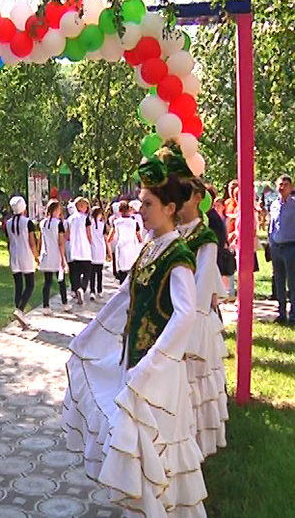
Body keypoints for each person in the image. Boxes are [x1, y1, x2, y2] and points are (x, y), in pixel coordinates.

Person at [61, 154, 207, 516]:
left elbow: (186, 314)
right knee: (135, 442)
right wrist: (89, 335)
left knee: (155, 443)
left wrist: (154, 361)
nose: (140, 209)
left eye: (148, 204)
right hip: (135, 361)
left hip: (158, 372)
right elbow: (123, 295)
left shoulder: (178, 254)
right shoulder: (150, 249)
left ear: (170, 208)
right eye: (141, 203)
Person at [171, 152, 228, 458]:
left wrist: (187, 326)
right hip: (171, 316)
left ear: (196, 197)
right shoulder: (172, 234)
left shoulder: (205, 237)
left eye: (182, 194)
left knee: (196, 383)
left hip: (194, 319)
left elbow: (204, 284)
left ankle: (196, 448)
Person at [5, 195, 38, 327]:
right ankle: (20, 309)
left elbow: (9, 241)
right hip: (26, 255)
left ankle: (19, 313)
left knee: (18, 285)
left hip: (14, 255)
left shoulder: (8, 223)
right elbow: (32, 242)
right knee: (30, 284)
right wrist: (36, 256)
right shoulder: (27, 222)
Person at [269, 174, 295, 324]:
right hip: (276, 247)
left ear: (291, 187)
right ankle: (281, 313)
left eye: (285, 184)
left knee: (292, 282)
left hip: (291, 247)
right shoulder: (274, 205)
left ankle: (293, 315)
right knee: (278, 281)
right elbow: (272, 224)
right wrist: (270, 241)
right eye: (280, 184)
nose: (282, 187)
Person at [38, 200, 70, 315]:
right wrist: (63, 258)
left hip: (46, 255)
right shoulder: (58, 223)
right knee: (61, 280)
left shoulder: (43, 223)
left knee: (47, 282)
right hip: (56, 254)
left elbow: (41, 240)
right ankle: (65, 303)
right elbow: (61, 242)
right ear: (56, 210)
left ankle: (45, 305)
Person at [107, 201, 142, 284]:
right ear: (129, 210)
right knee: (132, 272)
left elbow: (109, 238)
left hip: (121, 249)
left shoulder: (116, 223)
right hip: (132, 249)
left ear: (119, 211)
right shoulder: (134, 223)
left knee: (122, 274)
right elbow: (139, 238)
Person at [66, 197, 93, 304]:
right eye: (86, 206)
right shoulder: (86, 219)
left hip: (74, 249)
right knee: (87, 272)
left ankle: (76, 288)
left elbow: (67, 236)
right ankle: (82, 288)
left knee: (75, 273)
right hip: (84, 249)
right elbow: (89, 234)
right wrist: (91, 242)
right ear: (81, 207)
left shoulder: (70, 219)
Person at [89, 206, 109, 300]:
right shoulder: (103, 225)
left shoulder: (89, 224)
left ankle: (92, 291)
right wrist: (109, 251)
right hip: (101, 249)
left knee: (92, 272)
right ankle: (99, 290)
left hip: (92, 249)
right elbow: (105, 238)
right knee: (99, 272)